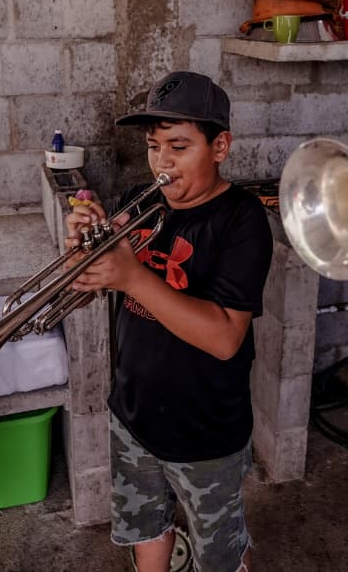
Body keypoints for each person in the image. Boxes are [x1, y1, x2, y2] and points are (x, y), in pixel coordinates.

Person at [66, 71, 272, 572]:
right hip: (132, 413)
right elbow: (83, 288)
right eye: (154, 145)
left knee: (218, 551)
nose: (162, 162)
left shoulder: (241, 219)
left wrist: (132, 276)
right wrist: (80, 254)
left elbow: (225, 338)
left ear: (219, 146)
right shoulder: (141, 199)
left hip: (206, 431)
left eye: (179, 146)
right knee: (146, 527)